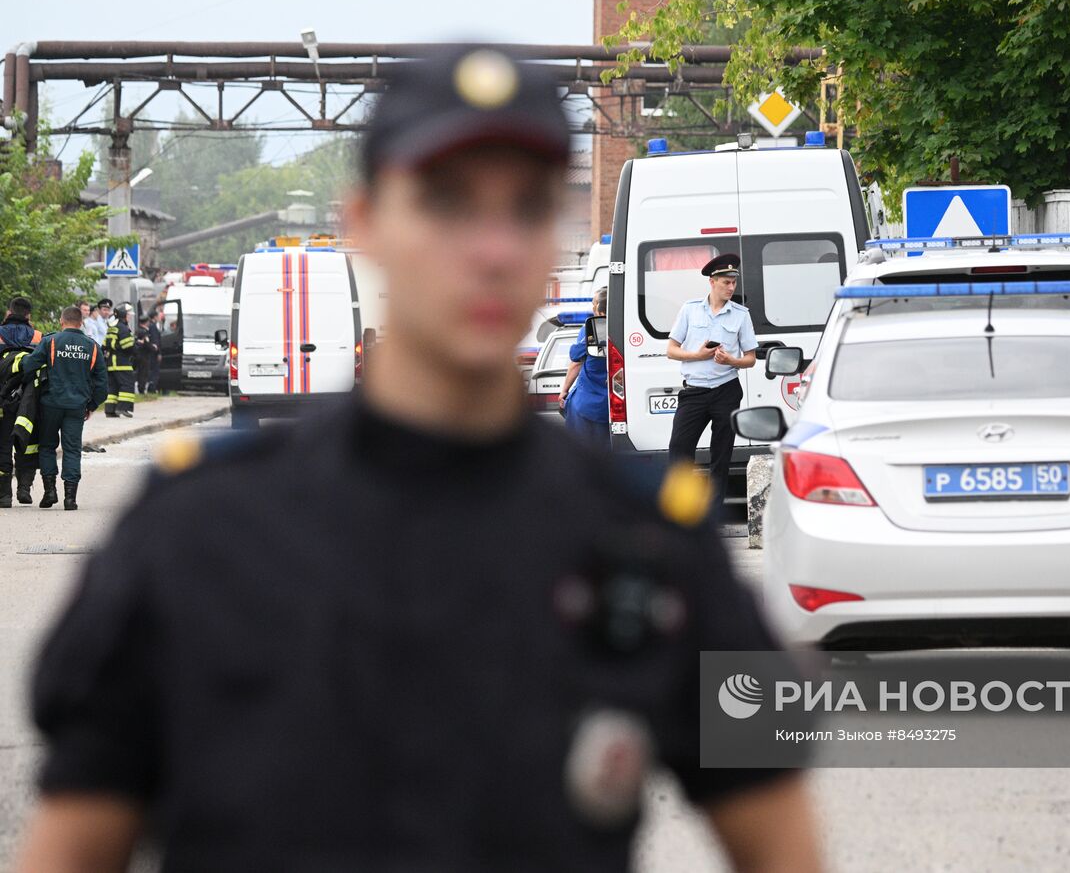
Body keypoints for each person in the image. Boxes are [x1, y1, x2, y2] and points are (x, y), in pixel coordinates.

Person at [18, 45, 820, 873]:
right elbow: (71, 844)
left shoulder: (649, 545)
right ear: (362, 220)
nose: (491, 246)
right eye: (446, 202)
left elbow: (781, 834)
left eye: (525, 207)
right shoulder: (198, 534)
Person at [665, 254, 758, 495]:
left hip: (726, 390)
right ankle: (682, 511)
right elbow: (671, 351)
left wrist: (731, 360)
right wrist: (698, 356)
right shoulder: (690, 309)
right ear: (712, 282)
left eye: (734, 282)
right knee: (679, 450)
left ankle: (713, 515)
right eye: (726, 282)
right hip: (694, 391)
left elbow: (750, 358)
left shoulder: (741, 314)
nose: (731, 287)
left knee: (721, 455)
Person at [18, 306, 106, 511]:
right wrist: (91, 405)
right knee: (72, 449)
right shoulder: (92, 347)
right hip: (77, 407)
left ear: (61, 321)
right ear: (81, 322)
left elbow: (29, 365)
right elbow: (102, 385)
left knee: (47, 446)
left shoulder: (50, 342)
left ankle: (50, 492)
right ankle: (70, 498)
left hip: (50, 404)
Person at [0, 296, 44, 507]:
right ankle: (24, 487)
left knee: (3, 446)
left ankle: (3, 495)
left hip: (3, 397)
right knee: (28, 442)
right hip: (30, 398)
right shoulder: (38, 336)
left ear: (9, 312)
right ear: (28, 315)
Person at [559, 287, 609, 446]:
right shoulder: (628, 327)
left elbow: (575, 361)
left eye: (594, 304)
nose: (592, 308)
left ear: (601, 311)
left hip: (587, 404)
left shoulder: (592, 328)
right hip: (613, 405)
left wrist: (564, 390)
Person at [102, 303, 136, 417]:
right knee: (127, 384)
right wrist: (136, 348)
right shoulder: (123, 328)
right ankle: (123, 408)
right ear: (124, 315)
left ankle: (110, 410)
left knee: (113, 387)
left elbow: (104, 345)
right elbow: (128, 347)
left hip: (111, 363)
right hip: (122, 363)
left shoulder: (112, 327)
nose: (130, 316)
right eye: (128, 314)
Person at [135, 313, 160, 395]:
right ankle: (141, 389)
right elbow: (146, 344)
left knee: (141, 372)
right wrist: (154, 347)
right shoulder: (144, 332)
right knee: (143, 373)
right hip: (144, 356)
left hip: (139, 355)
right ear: (146, 322)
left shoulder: (138, 330)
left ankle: (141, 388)